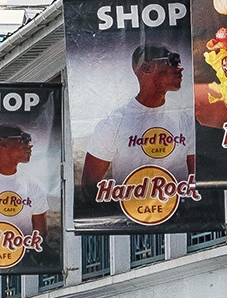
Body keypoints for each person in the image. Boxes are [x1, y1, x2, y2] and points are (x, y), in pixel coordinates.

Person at [78, 45, 193, 192]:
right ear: (146, 67)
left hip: (180, 213)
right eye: (173, 61)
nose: (180, 68)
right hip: (130, 213)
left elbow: (196, 181)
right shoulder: (113, 124)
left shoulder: (185, 120)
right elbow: (89, 187)